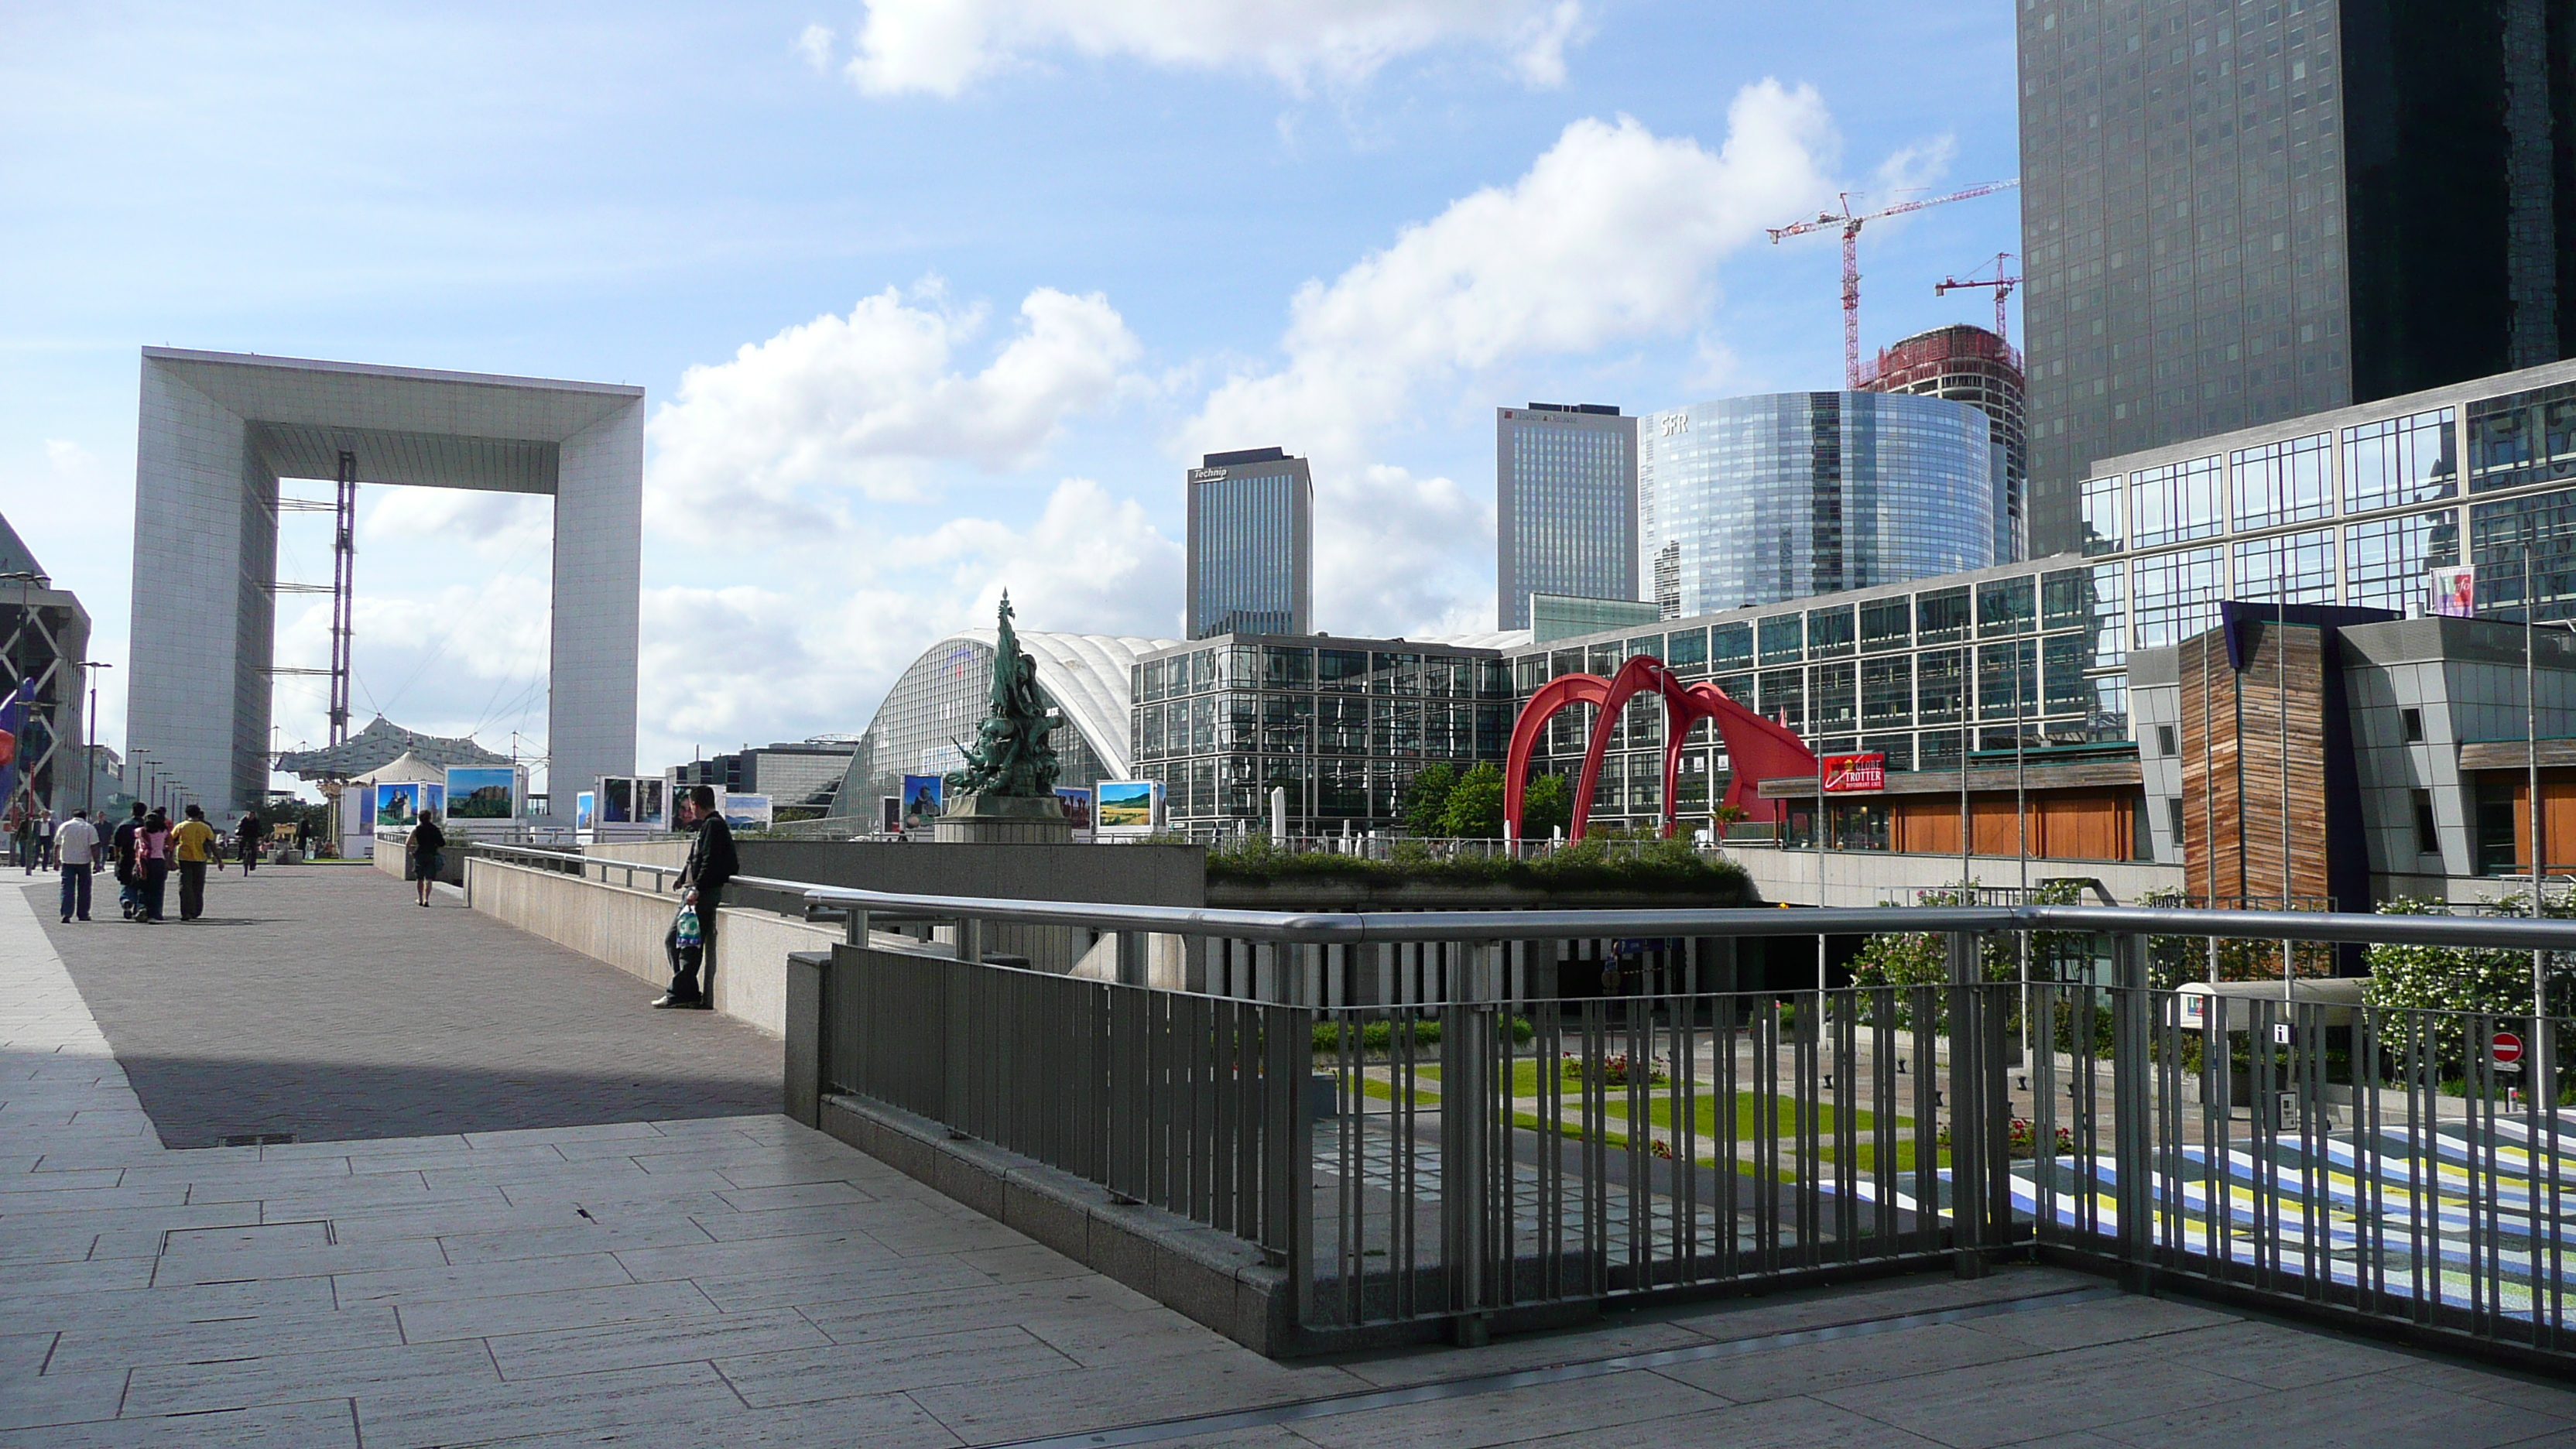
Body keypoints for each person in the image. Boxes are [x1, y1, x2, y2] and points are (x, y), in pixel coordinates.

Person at [655, 784, 735, 1009]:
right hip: (695, 892)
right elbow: (698, 859)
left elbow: (710, 860)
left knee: (685, 944)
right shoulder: (710, 826)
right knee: (678, 942)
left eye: (690, 805)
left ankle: (680, 992)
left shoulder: (714, 826)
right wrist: (683, 878)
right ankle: (685, 990)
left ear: (695, 804)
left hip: (699, 896)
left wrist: (696, 888)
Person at [171, 803, 221, 922]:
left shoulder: (181, 826)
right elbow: (212, 844)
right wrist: (219, 859)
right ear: (199, 814)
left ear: (186, 814)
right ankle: (196, 910)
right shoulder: (205, 827)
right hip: (200, 859)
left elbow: (172, 840)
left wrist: (170, 858)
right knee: (198, 887)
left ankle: (186, 912)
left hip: (184, 859)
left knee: (185, 886)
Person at [53, 808, 98, 923]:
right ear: (85, 817)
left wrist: (56, 861)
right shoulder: (89, 827)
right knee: (84, 889)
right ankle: (83, 914)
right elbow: (94, 846)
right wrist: (97, 862)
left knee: (67, 888)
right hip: (84, 861)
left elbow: (57, 845)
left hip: (67, 861)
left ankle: (66, 913)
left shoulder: (65, 826)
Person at [135, 809, 171, 923]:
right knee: (158, 888)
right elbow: (169, 846)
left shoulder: (140, 831)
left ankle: (142, 908)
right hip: (159, 860)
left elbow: (136, 844)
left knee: (143, 887)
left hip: (144, 861)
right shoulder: (163, 832)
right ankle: (156, 913)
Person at [111, 801, 146, 920]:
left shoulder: (124, 825)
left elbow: (116, 843)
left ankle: (126, 900)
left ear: (132, 811)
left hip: (126, 857)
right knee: (142, 883)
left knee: (126, 881)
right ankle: (140, 907)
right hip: (143, 859)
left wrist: (117, 858)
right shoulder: (147, 825)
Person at [408, 809, 446, 906]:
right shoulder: (435, 829)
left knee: (420, 878)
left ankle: (420, 898)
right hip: (431, 854)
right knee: (429, 878)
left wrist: (411, 852)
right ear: (430, 818)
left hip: (420, 854)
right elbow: (442, 843)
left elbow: (408, 842)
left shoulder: (417, 829)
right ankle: (426, 899)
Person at [235, 808, 262, 875]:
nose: (250, 817)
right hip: (245, 835)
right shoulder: (243, 820)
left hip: (253, 836)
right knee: (241, 844)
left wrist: (260, 835)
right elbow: (238, 827)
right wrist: (238, 834)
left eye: (252, 816)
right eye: (249, 815)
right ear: (247, 815)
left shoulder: (256, 821)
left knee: (254, 850)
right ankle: (240, 856)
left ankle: (253, 864)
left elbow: (260, 829)